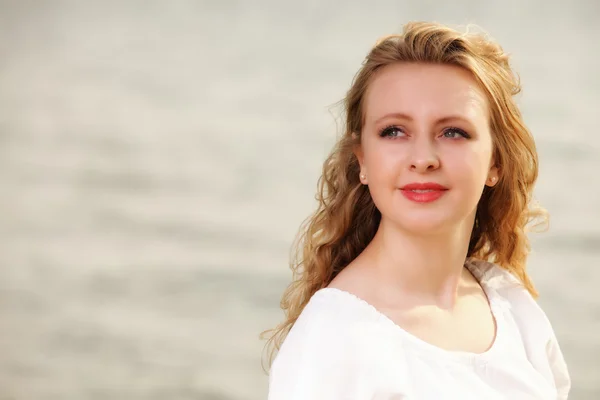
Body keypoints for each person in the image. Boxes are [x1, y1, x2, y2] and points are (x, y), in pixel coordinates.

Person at [261, 21, 571, 399]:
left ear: (495, 162)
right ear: (362, 161)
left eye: (453, 132)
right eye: (394, 131)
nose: (423, 159)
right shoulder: (333, 342)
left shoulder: (510, 304)